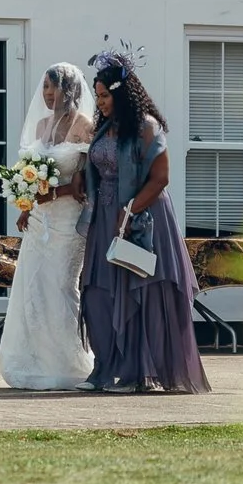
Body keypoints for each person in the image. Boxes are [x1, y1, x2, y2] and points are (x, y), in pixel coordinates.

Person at [79, 53, 210, 394]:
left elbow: (160, 178)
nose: (101, 102)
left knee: (138, 292)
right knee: (98, 292)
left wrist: (130, 211)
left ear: (122, 94)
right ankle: (106, 367)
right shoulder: (107, 127)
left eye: (105, 95)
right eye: (98, 96)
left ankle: (138, 372)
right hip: (105, 215)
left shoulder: (147, 127)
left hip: (142, 218)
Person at [0, 63, 96, 390]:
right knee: (33, 287)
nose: (49, 94)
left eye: (54, 88)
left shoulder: (84, 127)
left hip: (68, 221)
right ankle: (32, 360)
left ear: (71, 90)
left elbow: (86, 187)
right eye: (45, 88)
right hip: (39, 219)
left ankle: (70, 363)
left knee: (62, 287)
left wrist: (57, 191)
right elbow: (31, 174)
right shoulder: (41, 125)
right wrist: (25, 204)